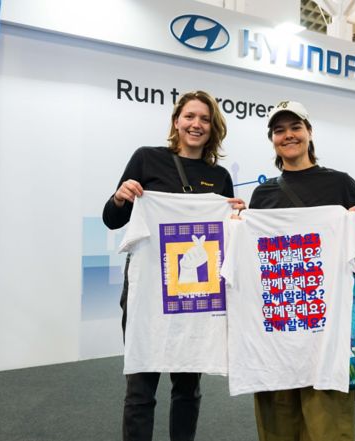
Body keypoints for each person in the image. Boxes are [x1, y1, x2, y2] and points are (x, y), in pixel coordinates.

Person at [102, 90, 245, 441]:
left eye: (205, 119)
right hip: (149, 289)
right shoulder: (147, 159)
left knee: (188, 387)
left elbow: (227, 235)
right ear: (176, 121)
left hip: (197, 292)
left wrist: (238, 217)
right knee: (141, 384)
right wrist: (120, 197)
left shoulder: (219, 177)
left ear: (213, 128)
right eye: (190, 116)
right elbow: (112, 219)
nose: (196, 124)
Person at [249, 100, 355, 441]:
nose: (288, 135)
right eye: (279, 130)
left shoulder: (339, 183)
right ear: (272, 139)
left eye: (295, 127)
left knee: (326, 420)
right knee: (279, 415)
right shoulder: (263, 194)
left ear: (309, 132)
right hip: (278, 320)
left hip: (328, 320)